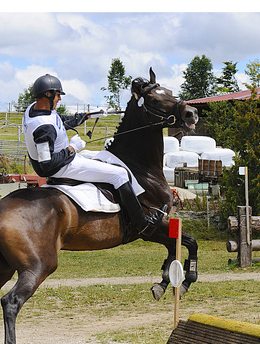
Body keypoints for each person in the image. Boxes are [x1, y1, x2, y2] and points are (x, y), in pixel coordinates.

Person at [24, 73, 159, 235]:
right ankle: (142, 224)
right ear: (48, 94)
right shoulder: (43, 127)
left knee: (106, 157)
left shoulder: (36, 109)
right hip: (61, 167)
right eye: (58, 95)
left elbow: (62, 120)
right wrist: (72, 148)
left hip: (65, 159)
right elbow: (47, 165)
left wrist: (90, 115)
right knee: (119, 174)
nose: (59, 98)